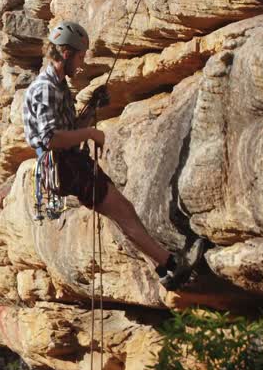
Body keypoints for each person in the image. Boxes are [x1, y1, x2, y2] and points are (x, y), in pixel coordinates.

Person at [22, 21, 209, 290]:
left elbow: (67, 130)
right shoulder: (46, 88)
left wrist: (91, 108)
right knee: (123, 211)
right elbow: (51, 138)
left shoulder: (58, 85)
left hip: (67, 164)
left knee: (121, 213)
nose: (82, 63)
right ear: (66, 53)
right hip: (64, 165)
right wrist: (91, 134)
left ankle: (162, 269)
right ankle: (172, 265)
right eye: (80, 56)